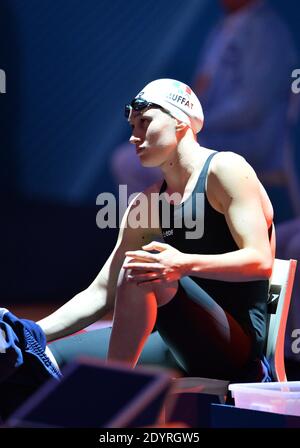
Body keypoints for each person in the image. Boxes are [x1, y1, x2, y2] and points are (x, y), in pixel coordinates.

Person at [37, 78, 275, 383]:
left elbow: (260, 261)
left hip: (235, 349)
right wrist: (27, 330)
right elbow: (101, 292)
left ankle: (111, 393)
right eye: (132, 127)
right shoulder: (148, 201)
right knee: (42, 355)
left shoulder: (226, 170)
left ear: (180, 122)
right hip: (175, 342)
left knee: (142, 270)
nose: (134, 138)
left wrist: (181, 264)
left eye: (144, 123)